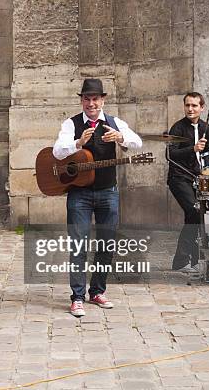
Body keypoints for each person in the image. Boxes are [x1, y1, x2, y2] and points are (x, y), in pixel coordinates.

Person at [53, 78, 142, 318]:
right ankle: (77, 297)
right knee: (78, 246)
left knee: (106, 244)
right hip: (79, 194)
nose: (91, 103)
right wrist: (77, 143)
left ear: (102, 100)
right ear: (81, 100)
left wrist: (120, 138)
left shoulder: (114, 123)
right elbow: (57, 151)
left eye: (95, 99)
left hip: (107, 192)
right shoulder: (71, 124)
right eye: (87, 99)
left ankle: (97, 291)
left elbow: (138, 142)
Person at [167, 92, 209, 272]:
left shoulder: (205, 127)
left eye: (194, 105)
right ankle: (185, 260)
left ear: (202, 108)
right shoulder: (177, 128)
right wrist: (192, 148)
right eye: (187, 105)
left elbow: (207, 149)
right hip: (178, 178)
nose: (190, 109)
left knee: (194, 216)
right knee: (195, 212)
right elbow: (171, 154)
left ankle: (183, 262)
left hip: (196, 178)